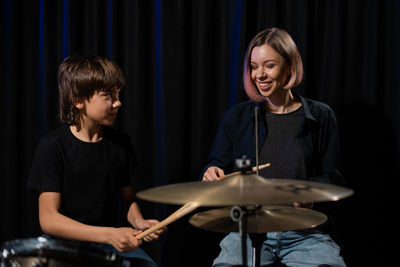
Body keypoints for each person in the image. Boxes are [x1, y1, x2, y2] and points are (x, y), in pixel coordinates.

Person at [201, 28, 346, 266]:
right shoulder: (237, 117)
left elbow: (334, 177)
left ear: (290, 66)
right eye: (254, 66)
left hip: (304, 231)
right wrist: (211, 172)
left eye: (269, 65)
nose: (260, 74)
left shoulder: (321, 116)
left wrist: (312, 195)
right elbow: (216, 165)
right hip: (248, 229)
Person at [27, 55, 165, 267]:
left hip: (106, 245)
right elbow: (49, 220)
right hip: (64, 246)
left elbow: (127, 199)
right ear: (78, 100)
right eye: (108, 95)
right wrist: (108, 234)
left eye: (118, 94)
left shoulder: (121, 144)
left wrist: (139, 222)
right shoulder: (52, 146)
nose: (118, 102)